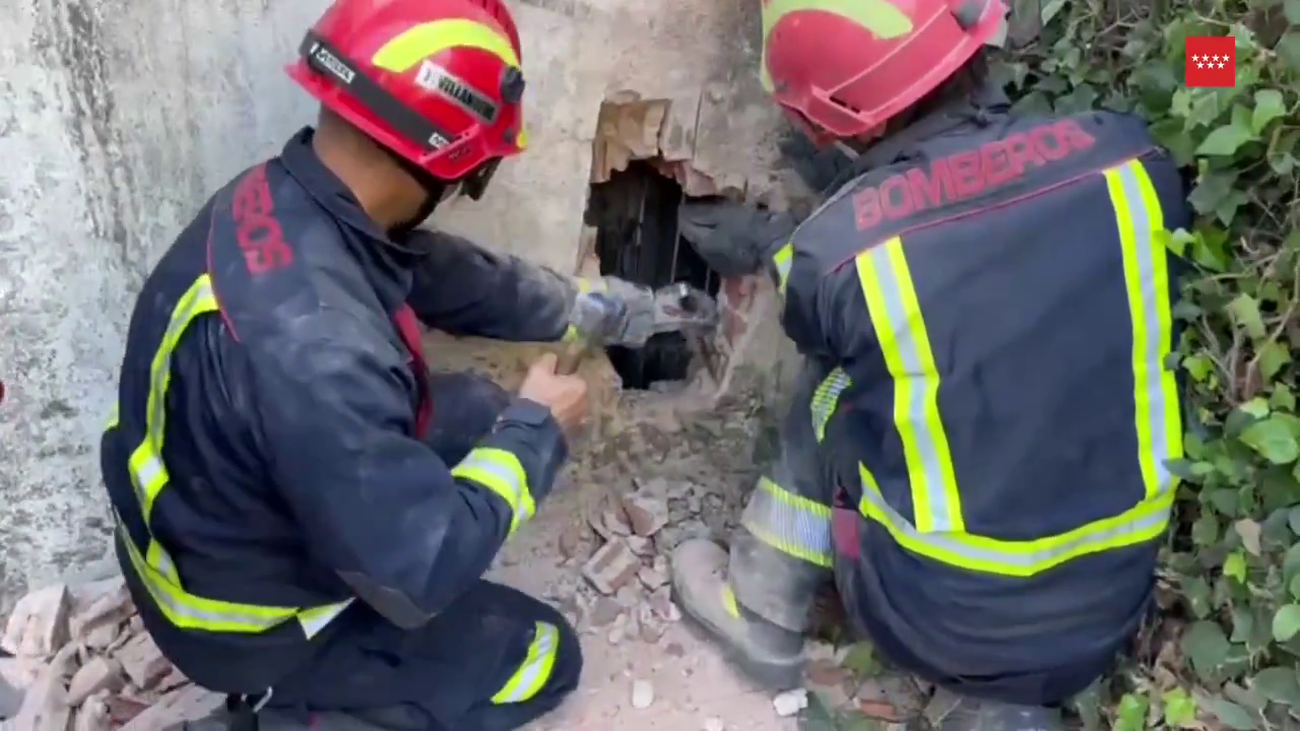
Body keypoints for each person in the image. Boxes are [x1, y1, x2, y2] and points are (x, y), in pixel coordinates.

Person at [100, 0, 686, 728]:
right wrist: (538, 432)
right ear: (449, 160)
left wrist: (594, 306)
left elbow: (442, 275)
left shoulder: (283, 200)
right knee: (541, 654)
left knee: (474, 412)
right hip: (243, 622)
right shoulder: (320, 348)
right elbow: (420, 576)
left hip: (208, 525)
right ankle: (281, 710)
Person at [667, 0, 1192, 728]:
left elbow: (842, 278)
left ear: (844, 120)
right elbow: (989, 236)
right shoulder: (1135, 161)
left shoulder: (836, 260)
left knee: (839, 383)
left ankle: (758, 609)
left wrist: (775, 242)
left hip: (932, 619)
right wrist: (1238, 59)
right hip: (1107, 607)